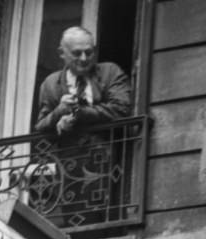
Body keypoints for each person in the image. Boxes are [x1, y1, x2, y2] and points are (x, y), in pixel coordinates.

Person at [33, 27, 132, 225]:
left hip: (111, 165)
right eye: (77, 53)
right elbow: (42, 128)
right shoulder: (51, 84)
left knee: (110, 224)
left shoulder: (110, 72)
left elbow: (121, 109)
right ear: (62, 53)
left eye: (89, 51)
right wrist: (60, 113)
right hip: (73, 173)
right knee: (78, 227)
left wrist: (79, 113)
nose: (85, 58)